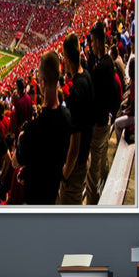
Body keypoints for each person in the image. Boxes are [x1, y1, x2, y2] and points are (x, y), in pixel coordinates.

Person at [14, 51, 72, 205]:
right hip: (54, 192)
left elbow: (16, 161)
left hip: (36, 199)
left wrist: (20, 140)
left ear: (43, 82)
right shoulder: (67, 116)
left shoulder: (34, 129)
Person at [58, 33, 95, 205]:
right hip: (85, 155)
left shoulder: (74, 92)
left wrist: (65, 174)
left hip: (76, 166)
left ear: (66, 57)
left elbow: (75, 141)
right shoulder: (87, 76)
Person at [86, 21, 120, 204]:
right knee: (103, 161)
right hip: (104, 122)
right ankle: (106, 185)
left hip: (98, 124)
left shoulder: (103, 67)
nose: (91, 45)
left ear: (98, 41)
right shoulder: (105, 63)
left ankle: (94, 207)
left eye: (92, 41)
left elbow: (99, 97)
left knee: (92, 175)